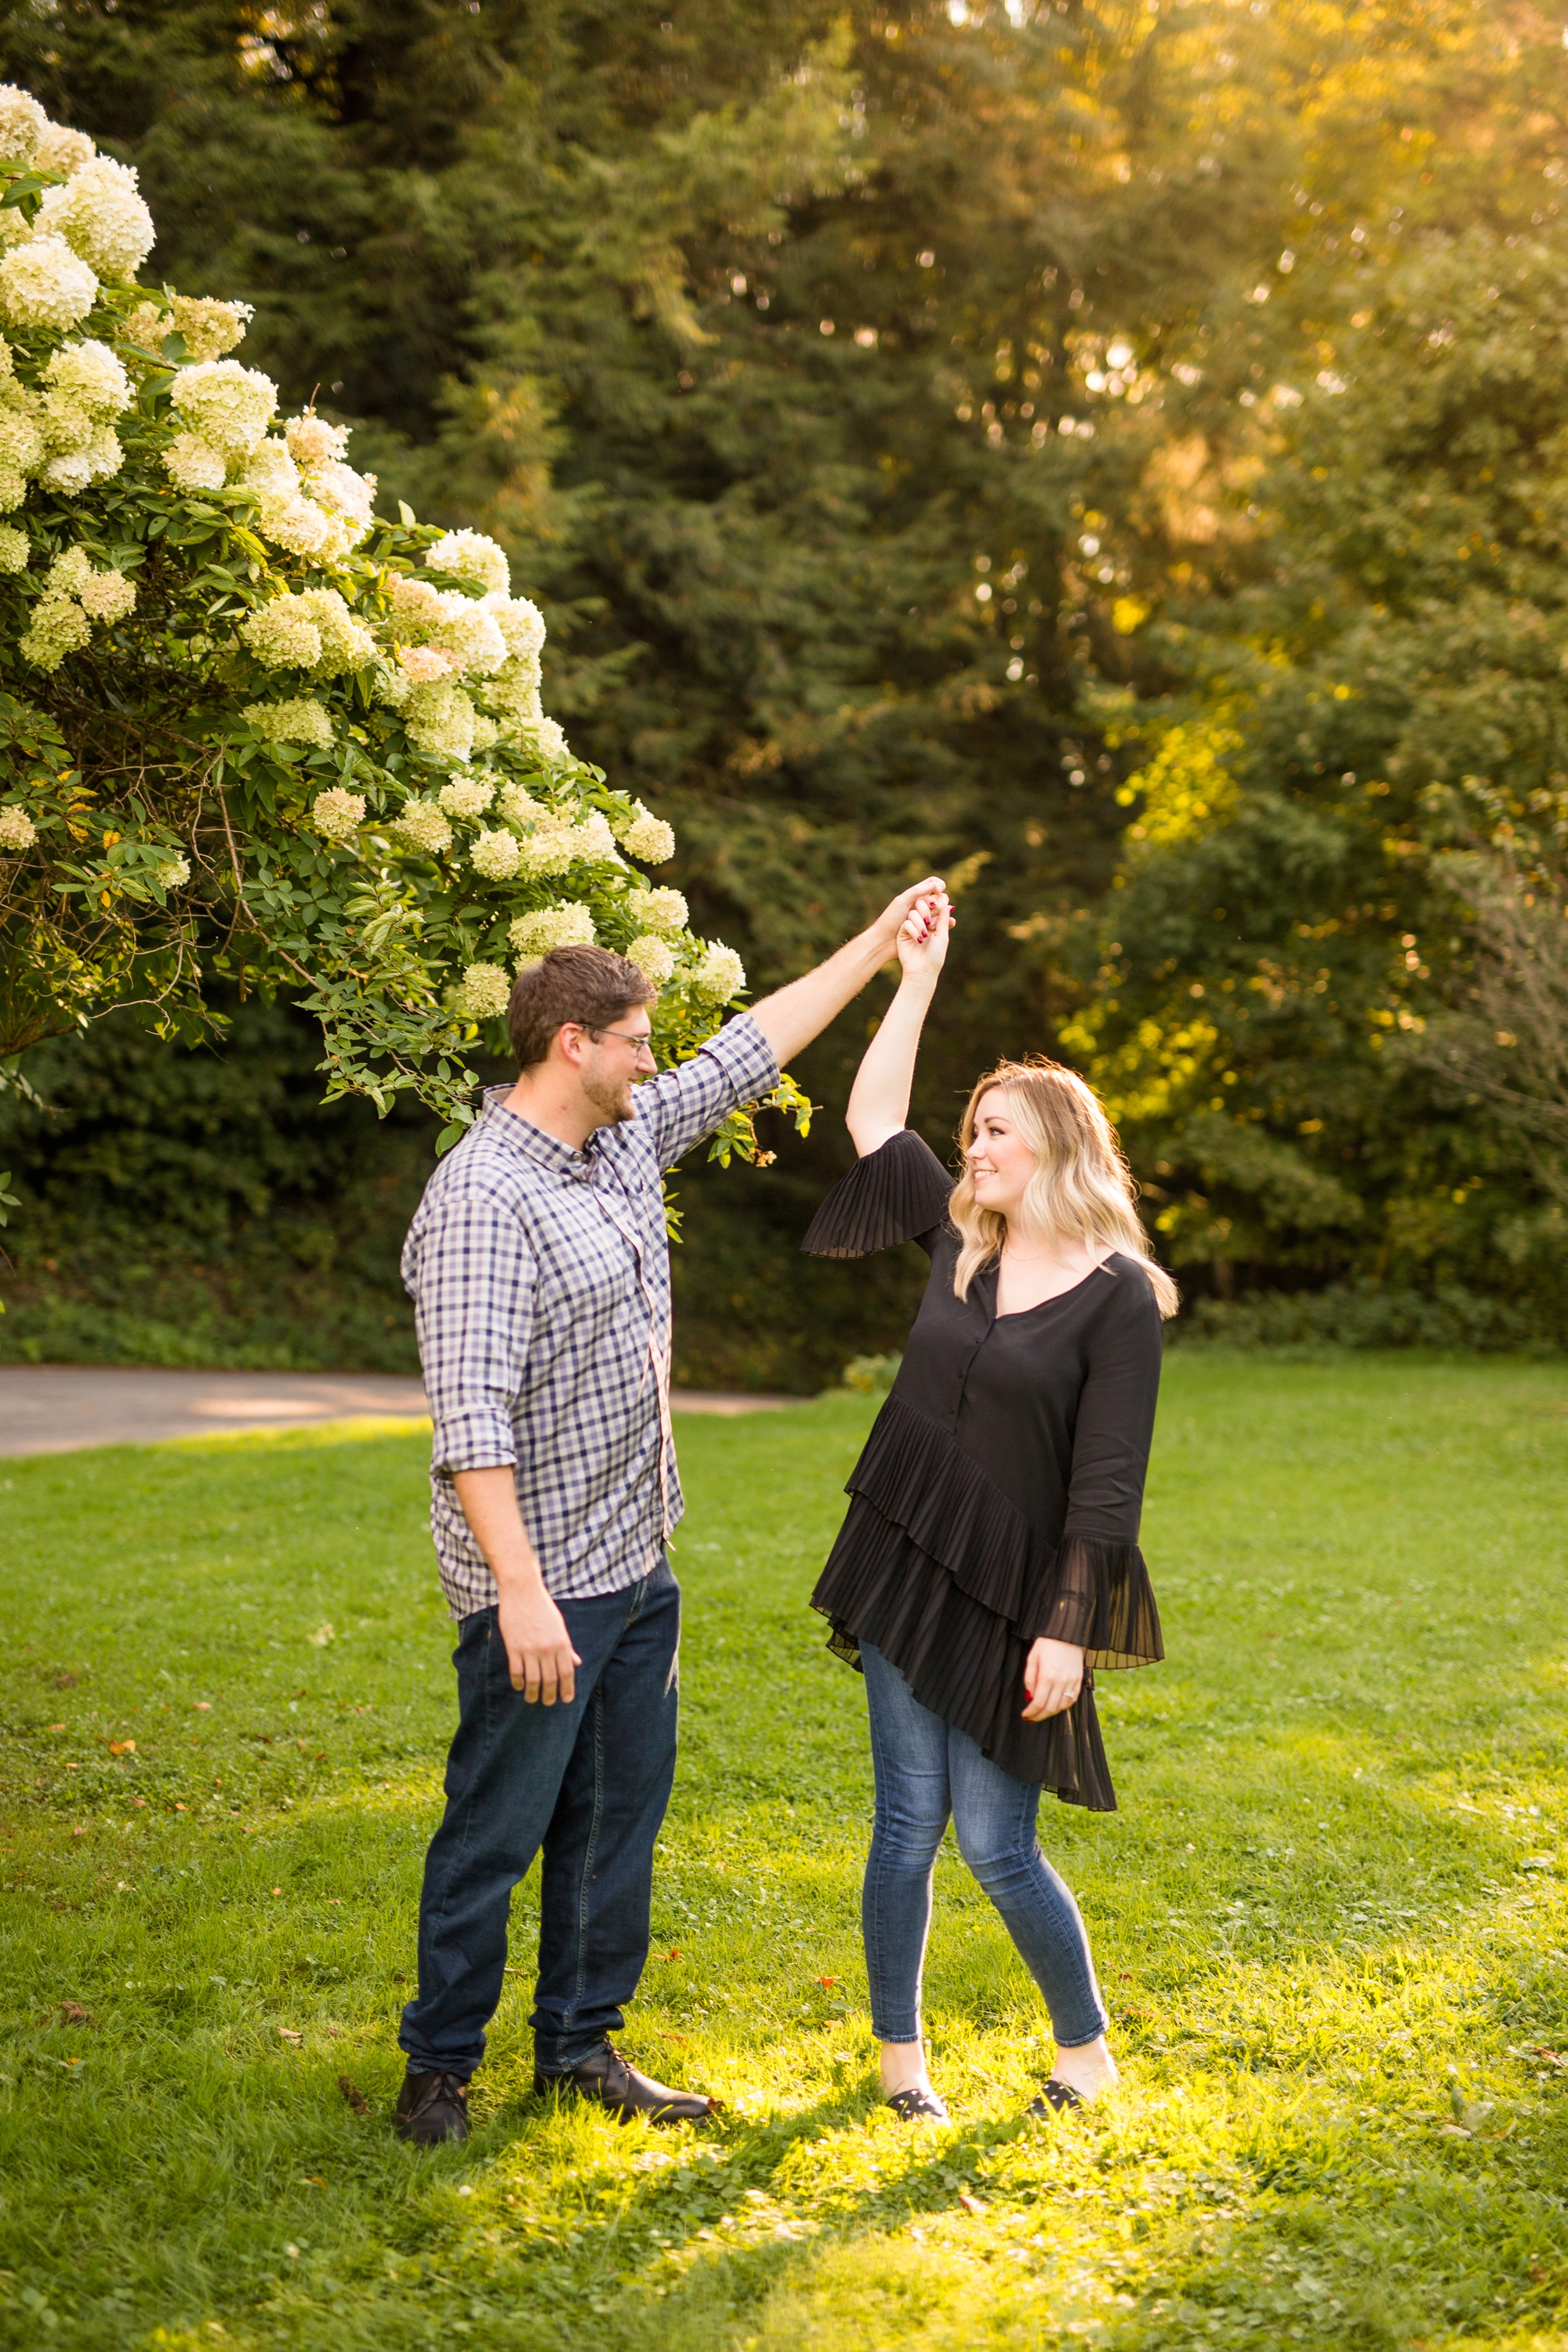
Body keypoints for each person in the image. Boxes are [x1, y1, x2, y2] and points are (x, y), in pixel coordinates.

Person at [394, 891, 948, 2146]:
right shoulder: (485, 1198)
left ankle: (580, 2051)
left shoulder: (624, 1139)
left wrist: (879, 946)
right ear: (570, 1045)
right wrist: (522, 1594)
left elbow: (752, 1050)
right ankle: (438, 2071)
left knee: (614, 1825)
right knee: (498, 1828)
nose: (655, 1060)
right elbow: (468, 1421)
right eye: (636, 1039)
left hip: (637, 1564)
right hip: (537, 1586)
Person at [800, 889, 1178, 2123]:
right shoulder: (957, 1242)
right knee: (904, 1829)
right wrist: (914, 978)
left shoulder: (1120, 1296)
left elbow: (1107, 1480)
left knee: (995, 1847)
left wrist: (1067, 1627)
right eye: (972, 1128)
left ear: (1060, 1146)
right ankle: (901, 2068)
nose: (976, 1147)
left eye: (999, 1131)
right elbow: (869, 1117)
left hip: (1018, 1594)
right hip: (908, 1554)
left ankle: (1085, 2050)